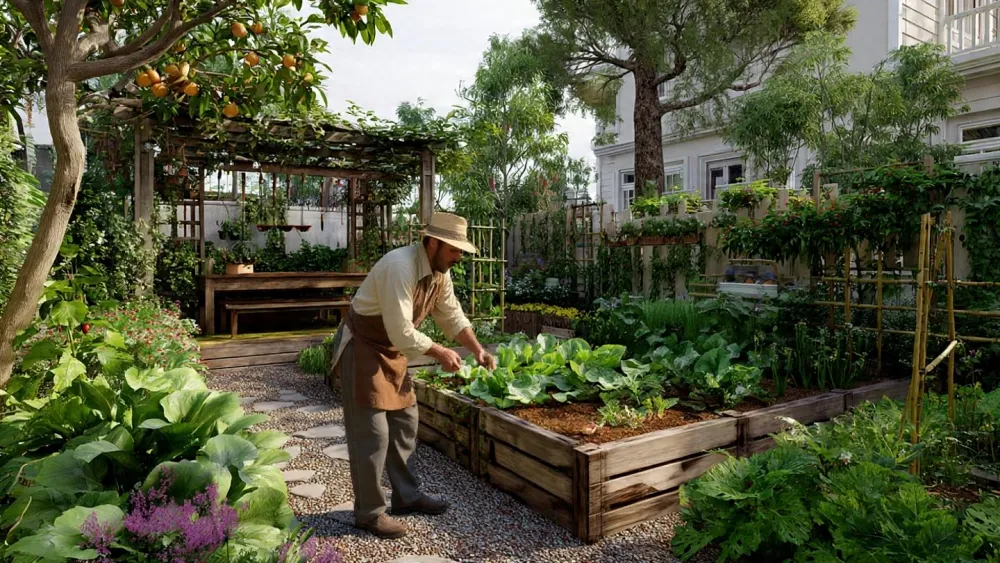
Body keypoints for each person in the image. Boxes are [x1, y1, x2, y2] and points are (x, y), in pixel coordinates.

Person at [327, 212, 496, 539]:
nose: (458, 257)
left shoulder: (438, 273)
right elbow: (402, 331)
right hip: (363, 348)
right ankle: (370, 513)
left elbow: (452, 316)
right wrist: (442, 352)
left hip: (392, 349)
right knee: (372, 435)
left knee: (406, 424)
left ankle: (406, 496)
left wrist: (477, 349)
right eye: (454, 249)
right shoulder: (399, 267)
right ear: (432, 242)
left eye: (461, 250)